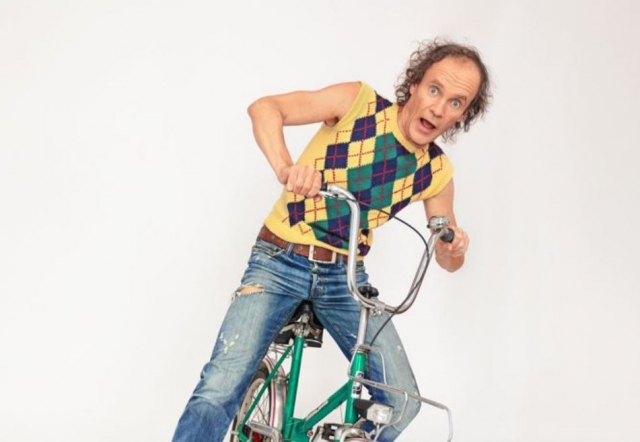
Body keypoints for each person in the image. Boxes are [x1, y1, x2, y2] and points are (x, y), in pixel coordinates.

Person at [172, 38, 492, 442]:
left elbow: (446, 253)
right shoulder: (357, 103)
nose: (439, 108)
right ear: (414, 84)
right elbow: (265, 108)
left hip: (346, 280)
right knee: (219, 388)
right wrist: (287, 169)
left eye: (455, 102)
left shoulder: (436, 172)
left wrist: (453, 247)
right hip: (279, 260)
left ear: (463, 115)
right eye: (434, 89)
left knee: (402, 402)